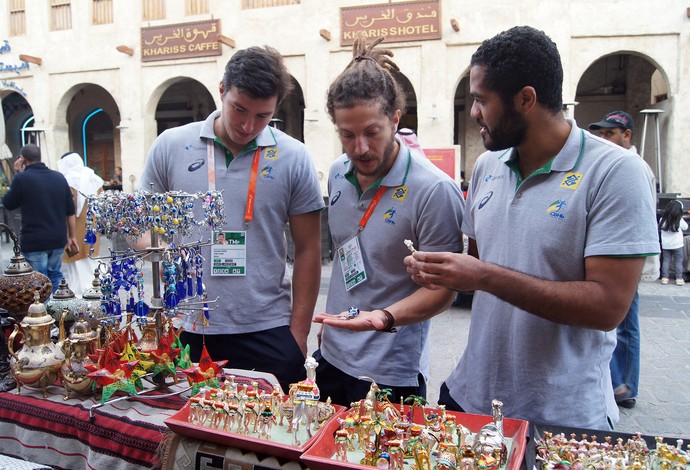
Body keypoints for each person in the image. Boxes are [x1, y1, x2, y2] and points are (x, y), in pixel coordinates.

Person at [404, 26, 659, 430]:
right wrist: (444, 271)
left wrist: (484, 276)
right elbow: (478, 269)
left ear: (526, 99)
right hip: (469, 399)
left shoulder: (615, 173)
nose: (473, 113)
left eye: (481, 101)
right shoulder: (489, 166)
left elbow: (608, 306)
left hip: (561, 416)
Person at [139, 46, 324, 392]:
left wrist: (297, 336)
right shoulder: (171, 145)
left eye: (262, 116)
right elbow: (141, 223)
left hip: (266, 327)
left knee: (268, 437)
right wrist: (161, 250)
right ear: (221, 89)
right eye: (239, 109)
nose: (247, 125)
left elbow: (309, 248)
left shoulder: (293, 157)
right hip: (187, 325)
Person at [311, 37, 465, 406]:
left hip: (390, 371)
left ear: (395, 118)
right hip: (331, 356)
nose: (359, 148)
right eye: (347, 135)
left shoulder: (433, 190)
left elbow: (444, 290)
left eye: (371, 132)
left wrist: (381, 317)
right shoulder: (336, 173)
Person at [588, 111, 657, 409]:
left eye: (610, 133)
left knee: (626, 322)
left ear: (626, 135)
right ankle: (617, 379)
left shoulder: (634, 168)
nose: (604, 139)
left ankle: (626, 385)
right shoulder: (604, 164)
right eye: (601, 134)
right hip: (611, 251)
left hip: (627, 254)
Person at [2, 144, 79, 292]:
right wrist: (72, 235)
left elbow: (9, 203)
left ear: (22, 159)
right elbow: (70, 210)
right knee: (55, 275)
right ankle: (57, 312)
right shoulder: (59, 177)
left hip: (35, 239)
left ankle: (43, 314)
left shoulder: (22, 179)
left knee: (38, 280)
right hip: (57, 238)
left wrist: (18, 173)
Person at [56, 152, 104, 295]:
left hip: (73, 226)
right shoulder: (94, 178)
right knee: (90, 257)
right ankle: (94, 286)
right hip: (92, 225)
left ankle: (80, 290)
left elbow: (65, 206)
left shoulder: (67, 181)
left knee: (76, 258)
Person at [659, 200, 688, 286]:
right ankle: (679, 278)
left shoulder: (662, 219)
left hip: (666, 245)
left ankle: (665, 278)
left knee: (666, 261)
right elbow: (686, 227)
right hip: (677, 245)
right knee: (678, 261)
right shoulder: (679, 220)